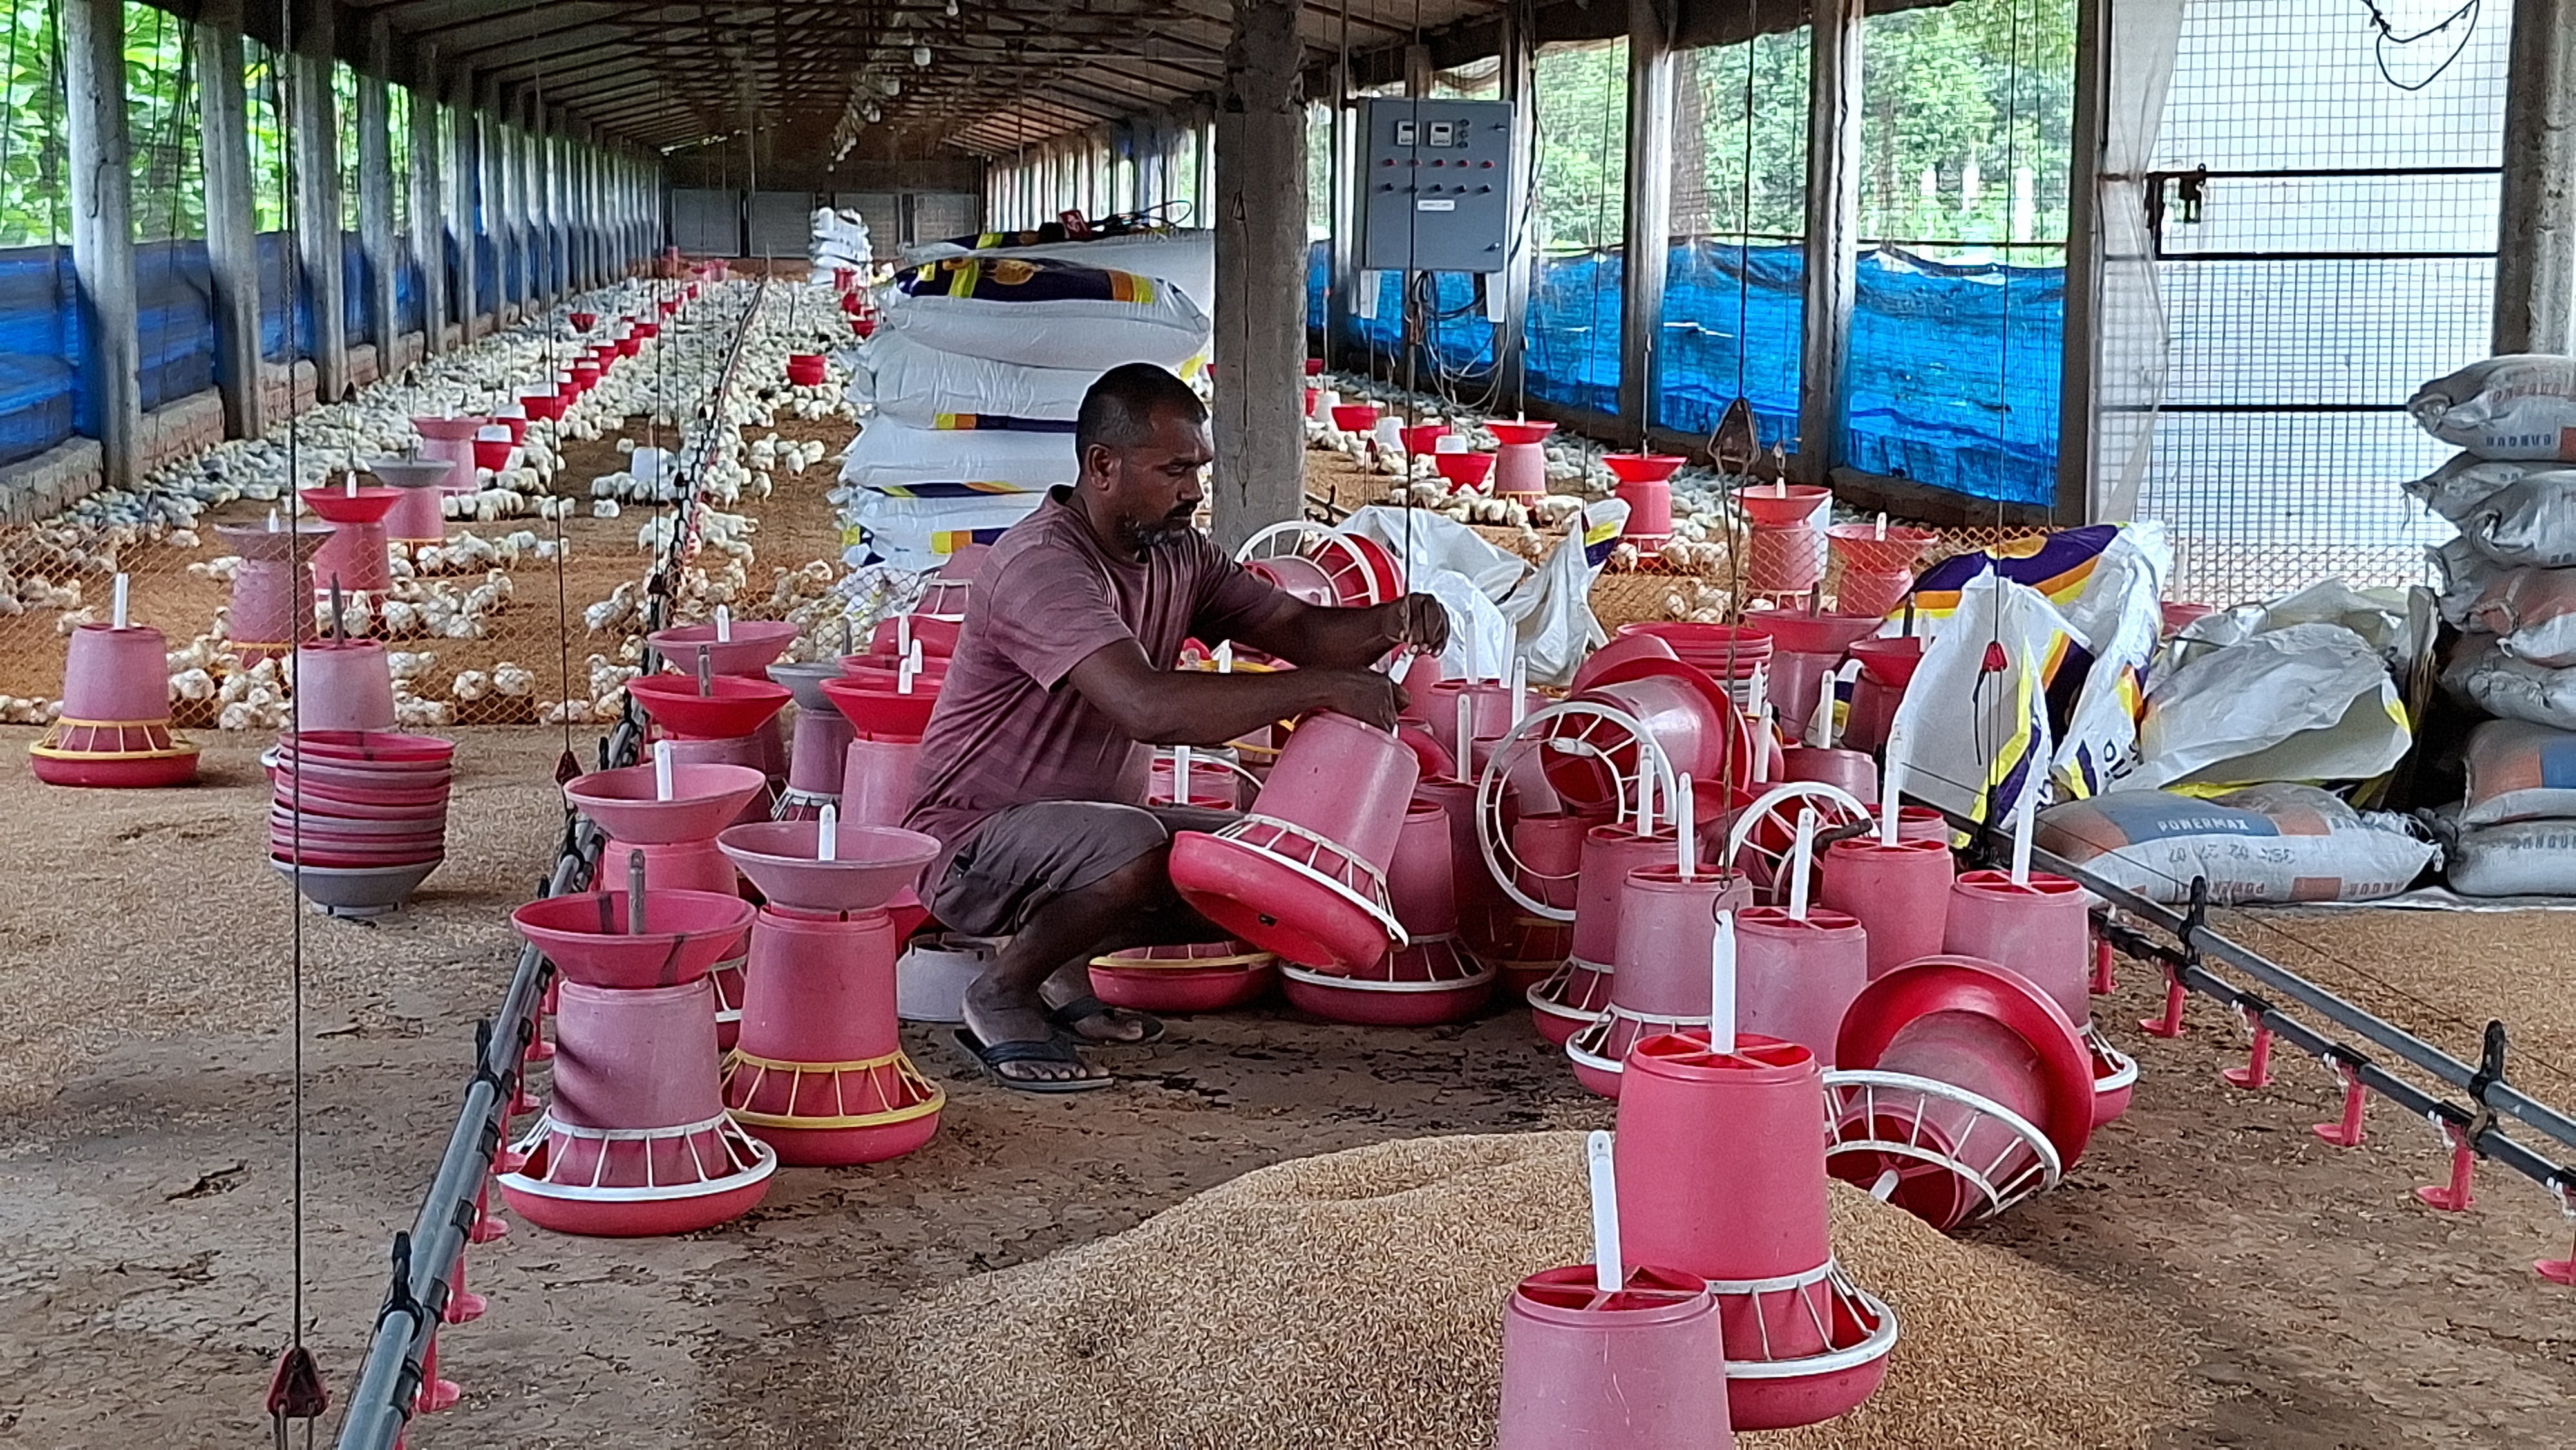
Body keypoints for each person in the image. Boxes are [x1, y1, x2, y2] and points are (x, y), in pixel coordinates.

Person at [904, 362, 1449, 1091]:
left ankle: (1060, 968)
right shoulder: (1043, 567)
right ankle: (1001, 993)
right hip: (969, 844)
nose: (1194, 490)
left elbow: (1295, 628)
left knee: (1260, 864)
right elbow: (1147, 707)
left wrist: (1387, 622)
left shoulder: (1177, 552)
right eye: (1175, 470)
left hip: (1078, 838)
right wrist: (1324, 688)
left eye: (1198, 469)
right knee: (1132, 846)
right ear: (1103, 466)